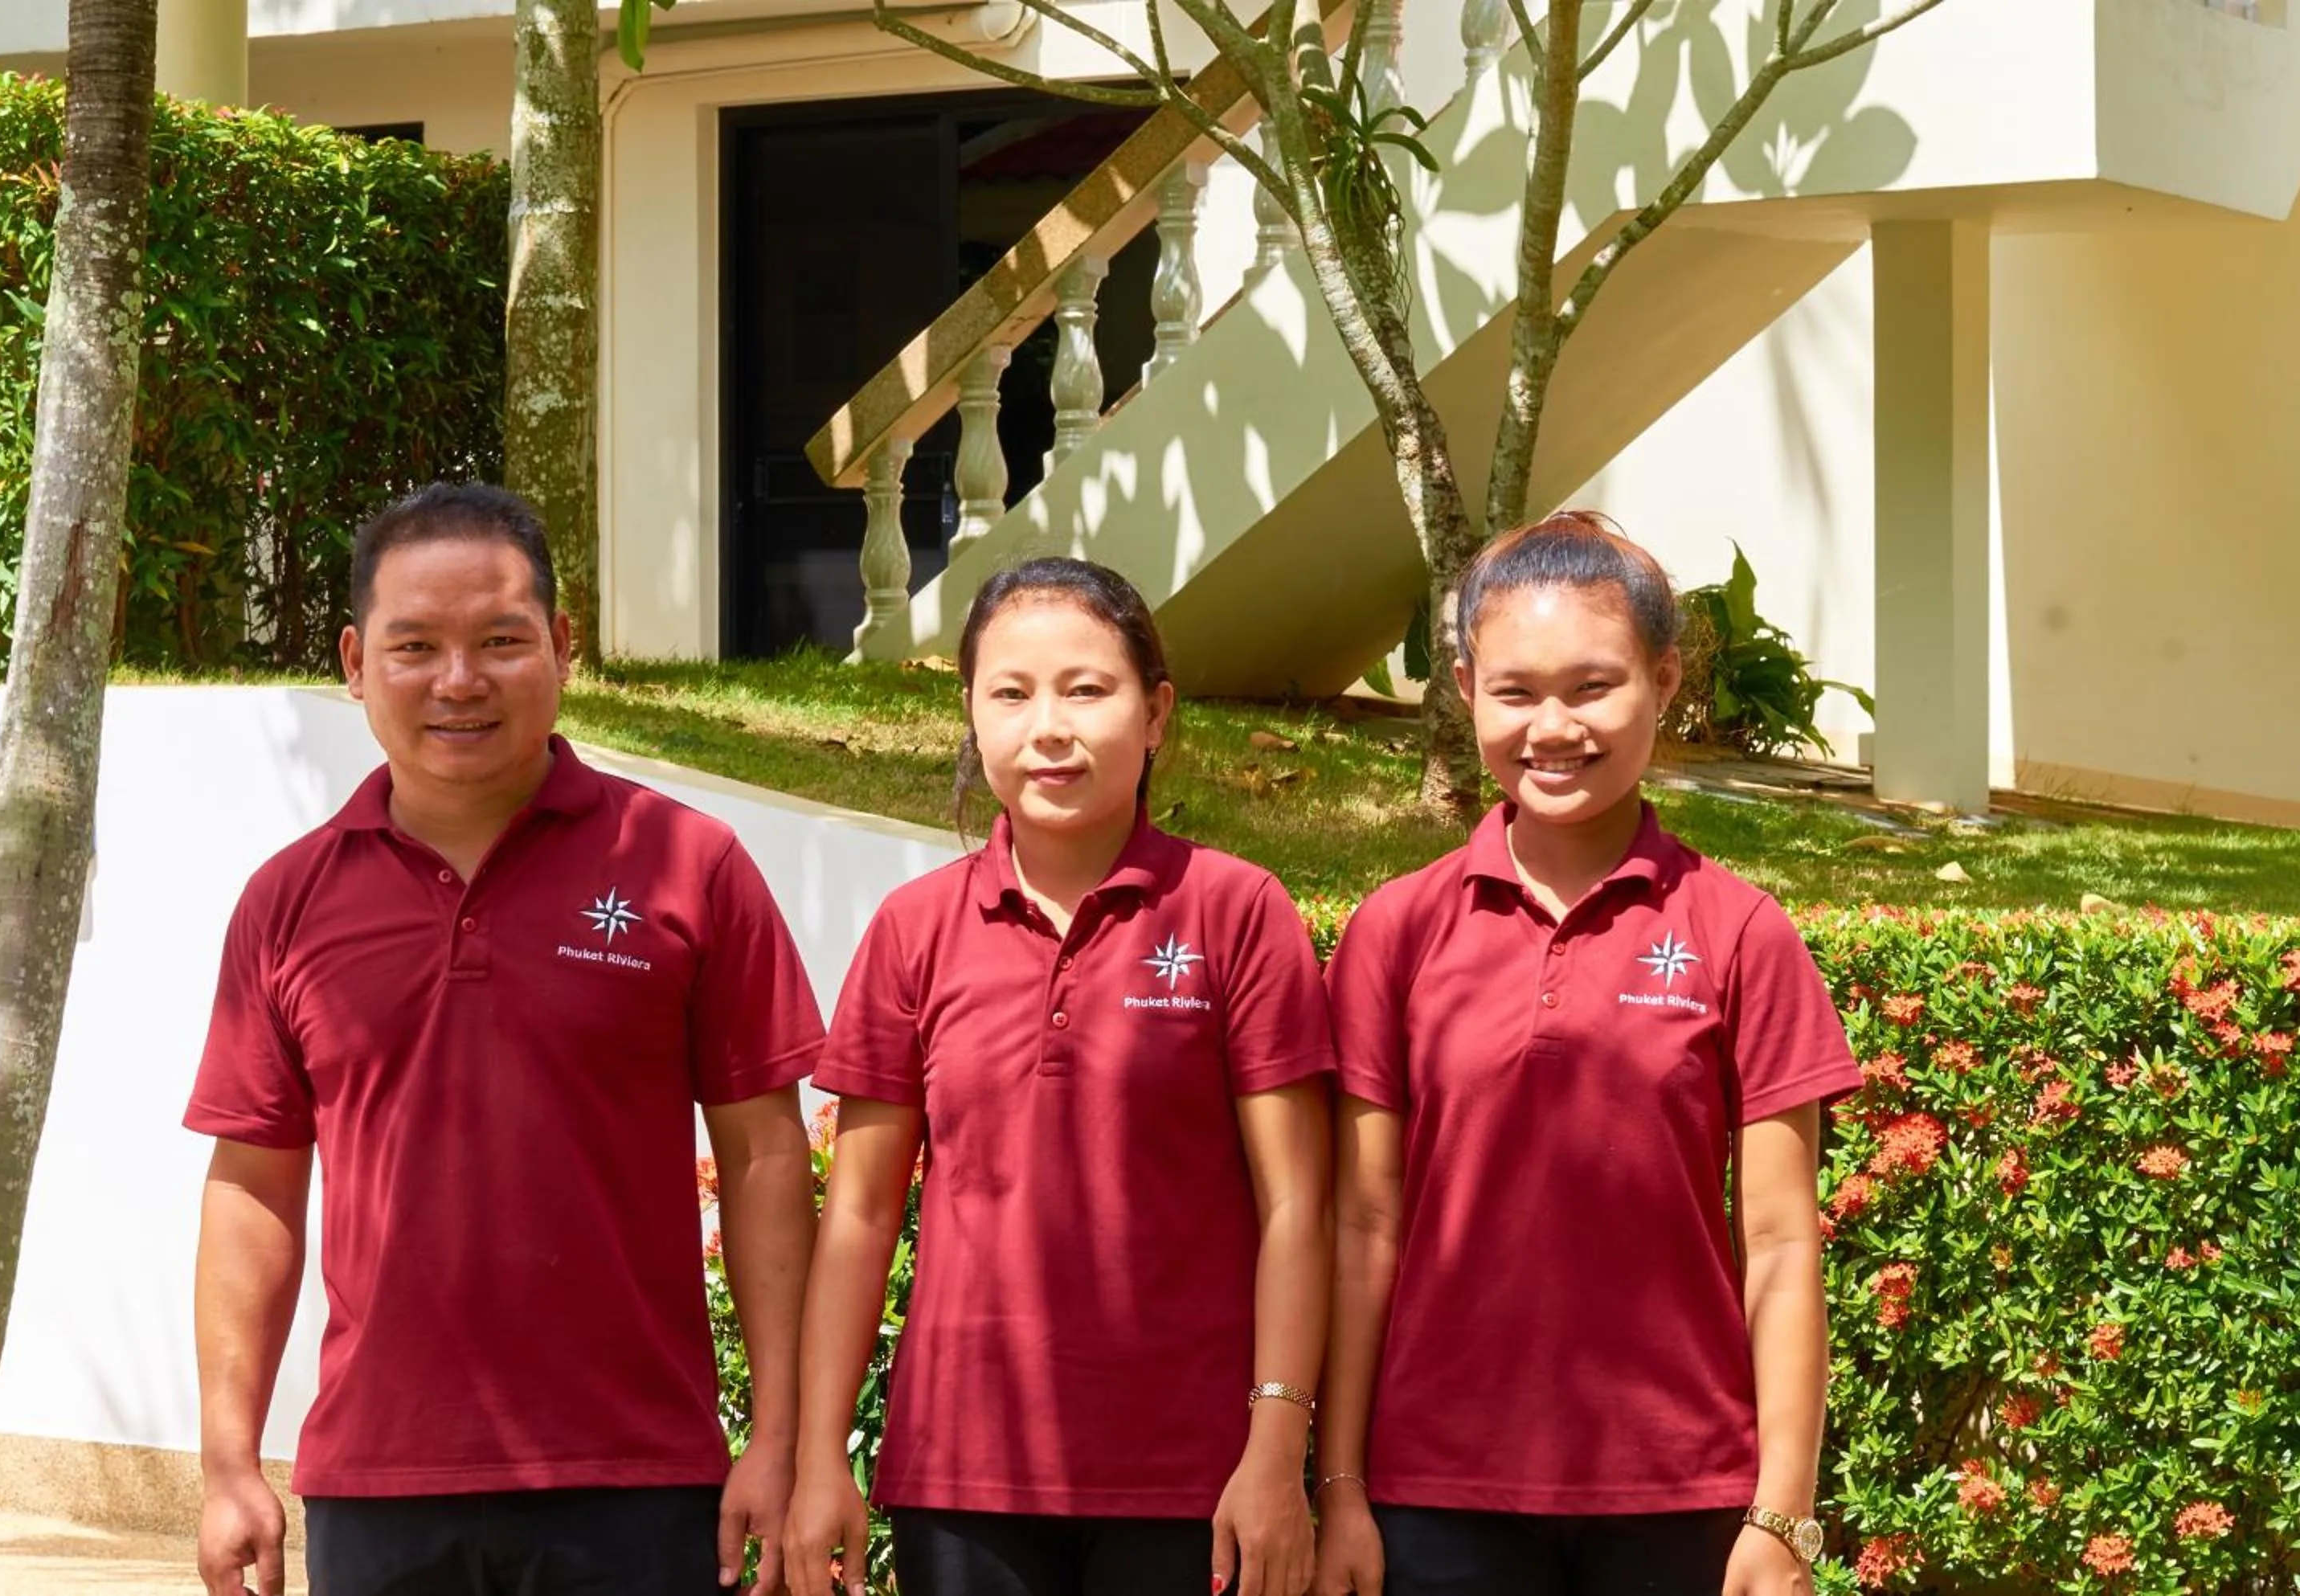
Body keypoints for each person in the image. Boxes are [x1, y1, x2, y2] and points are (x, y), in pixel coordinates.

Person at [188, 482, 823, 1596]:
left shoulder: (688, 865)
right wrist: (230, 1460)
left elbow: (769, 1157)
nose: (459, 680)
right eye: (415, 645)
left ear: (563, 645)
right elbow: (253, 1186)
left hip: (637, 1484)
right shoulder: (287, 902)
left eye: (500, 640)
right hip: (378, 1488)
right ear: (354, 659)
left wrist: (780, 1435)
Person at [1311, 513, 1860, 1596]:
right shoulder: (1396, 931)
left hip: (1680, 1493)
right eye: (1515, 691)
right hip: (1434, 1494)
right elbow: (1363, 1225)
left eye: (1593, 686)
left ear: (1663, 682)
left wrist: (1782, 1514)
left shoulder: (1740, 932)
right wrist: (1339, 1487)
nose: (1551, 726)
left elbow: (1784, 1244)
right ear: (1465, 689)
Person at [784, 558, 1334, 1596]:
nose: (1049, 726)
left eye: (1088, 688)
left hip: (1190, 1480)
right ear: (971, 713)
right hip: (962, 1478)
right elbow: (857, 1214)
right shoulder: (916, 930)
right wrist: (819, 1457)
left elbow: (1298, 1201)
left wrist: (1275, 1445)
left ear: (1157, 711)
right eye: (1011, 692)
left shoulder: (1236, 912)